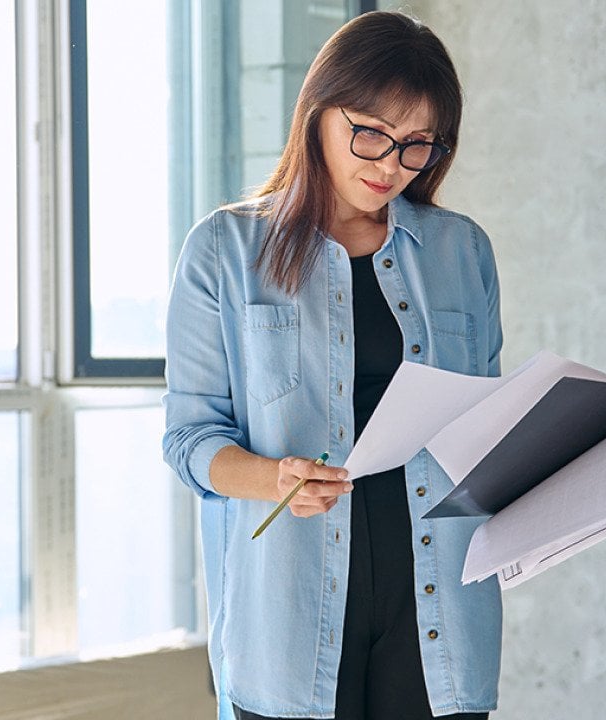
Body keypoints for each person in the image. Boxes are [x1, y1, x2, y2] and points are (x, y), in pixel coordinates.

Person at [162, 10, 503, 720]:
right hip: (288, 620)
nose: (389, 165)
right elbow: (189, 440)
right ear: (318, 110)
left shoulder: (462, 252)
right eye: (371, 134)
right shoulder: (224, 251)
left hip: (438, 608)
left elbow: (487, 426)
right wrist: (271, 477)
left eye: (417, 146)